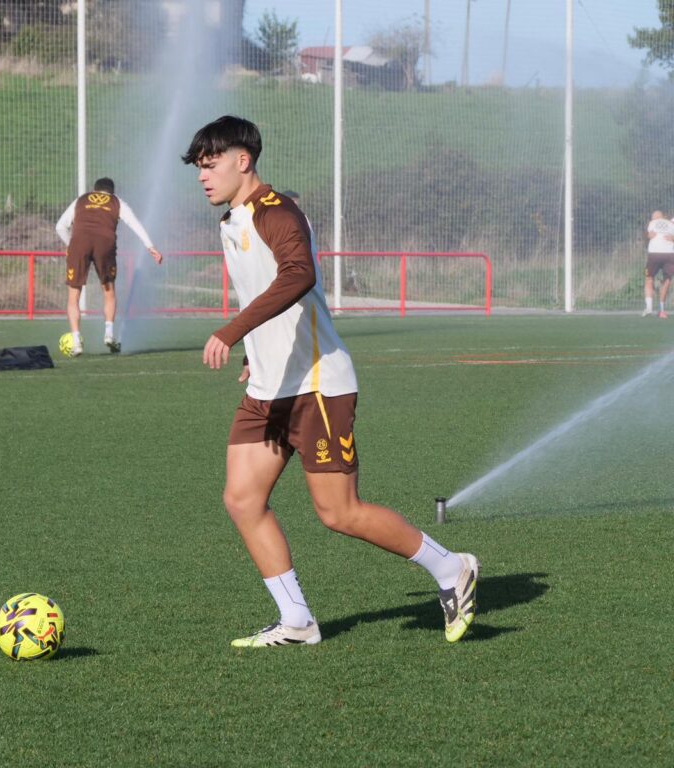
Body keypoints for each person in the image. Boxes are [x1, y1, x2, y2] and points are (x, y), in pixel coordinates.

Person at [182, 115, 479, 647]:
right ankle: (296, 621)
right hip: (268, 388)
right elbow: (262, 294)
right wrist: (255, 352)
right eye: (199, 168)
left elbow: (298, 275)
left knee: (339, 512)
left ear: (242, 161)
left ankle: (451, 567)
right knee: (242, 500)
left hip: (317, 385)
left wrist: (231, 332)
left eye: (211, 165)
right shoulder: (231, 220)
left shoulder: (278, 212)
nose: (203, 176)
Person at [55, 177, 163, 355]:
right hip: (105, 243)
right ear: (111, 192)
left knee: (73, 296)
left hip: (79, 242)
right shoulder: (117, 202)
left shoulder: (81, 199)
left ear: (94, 190)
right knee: (108, 290)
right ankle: (109, 334)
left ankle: (76, 342)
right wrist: (150, 246)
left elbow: (60, 226)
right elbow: (134, 223)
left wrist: (71, 246)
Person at [643, 210, 674, 319]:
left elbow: (647, 237)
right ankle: (661, 310)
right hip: (669, 255)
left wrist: (647, 236)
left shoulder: (652, 223)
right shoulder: (670, 223)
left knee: (648, 278)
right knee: (667, 280)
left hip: (654, 254)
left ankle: (649, 308)